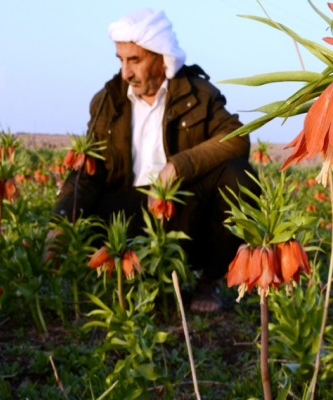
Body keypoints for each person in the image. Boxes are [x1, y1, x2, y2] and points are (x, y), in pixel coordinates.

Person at [50, 8, 257, 313]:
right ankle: (121, 280)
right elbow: (89, 169)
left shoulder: (198, 93)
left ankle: (208, 282)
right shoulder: (108, 100)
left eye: (135, 60)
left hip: (184, 207)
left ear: (162, 58)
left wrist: (179, 166)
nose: (126, 73)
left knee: (239, 176)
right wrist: (61, 220)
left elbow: (237, 138)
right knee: (92, 198)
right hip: (130, 210)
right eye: (121, 60)